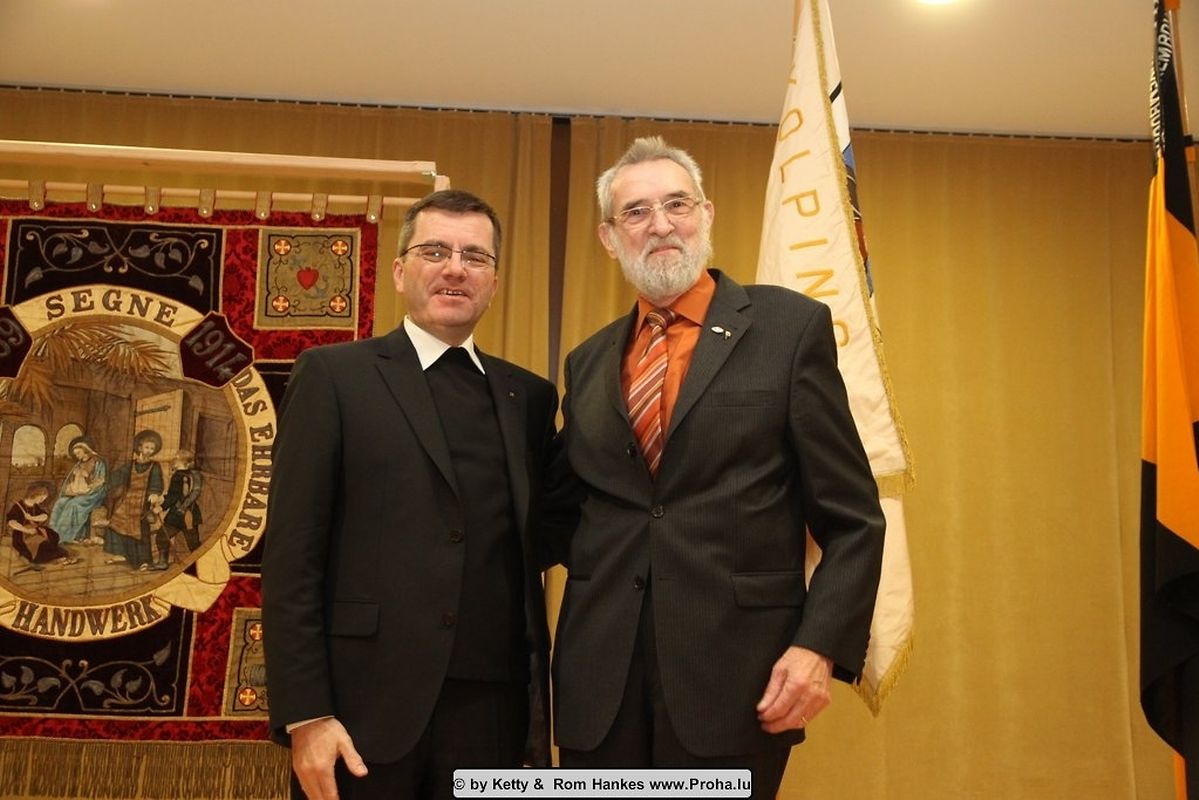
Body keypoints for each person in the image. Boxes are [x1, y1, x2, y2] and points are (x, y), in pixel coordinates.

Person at [551, 136, 886, 798]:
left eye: (676, 204)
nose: (660, 224)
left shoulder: (788, 328)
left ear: (705, 214)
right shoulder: (586, 362)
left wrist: (817, 647)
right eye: (636, 212)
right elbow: (567, 513)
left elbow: (853, 519)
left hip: (736, 680)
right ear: (609, 239)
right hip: (599, 686)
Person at [262, 189, 560, 800]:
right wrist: (306, 714)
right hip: (360, 713)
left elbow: (552, 532)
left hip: (493, 717)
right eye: (435, 251)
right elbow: (292, 557)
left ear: (494, 282)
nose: (456, 268)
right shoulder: (334, 377)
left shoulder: (529, 398)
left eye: (475, 257)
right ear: (400, 271)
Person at [103, 429, 164, 570]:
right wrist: (106, 479)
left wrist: (154, 493)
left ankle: (144, 561)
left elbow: (157, 483)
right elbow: (118, 476)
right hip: (128, 500)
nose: (149, 451)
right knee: (118, 524)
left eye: (152, 448)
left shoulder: (155, 466)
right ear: (140, 447)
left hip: (143, 502)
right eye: (147, 447)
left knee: (141, 531)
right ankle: (123, 554)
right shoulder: (131, 464)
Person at [48, 435, 108, 544]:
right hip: (79, 492)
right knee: (60, 503)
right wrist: (72, 490)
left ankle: (65, 536)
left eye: (78, 453)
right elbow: (71, 480)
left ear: (85, 450)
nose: (77, 456)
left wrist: (87, 488)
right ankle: (53, 533)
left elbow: (101, 481)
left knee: (73, 505)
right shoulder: (79, 464)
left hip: (94, 494)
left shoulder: (98, 462)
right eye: (75, 454)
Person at [7, 480, 77, 569]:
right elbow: (12, 522)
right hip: (22, 536)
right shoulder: (17, 507)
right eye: (41, 498)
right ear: (35, 495)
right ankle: (48, 557)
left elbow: (44, 516)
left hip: (35, 531)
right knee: (42, 546)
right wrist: (27, 530)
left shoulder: (35, 506)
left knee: (53, 535)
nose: (42, 500)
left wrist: (32, 518)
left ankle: (57, 555)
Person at [158, 449, 203, 567]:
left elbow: (174, 496)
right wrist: (163, 498)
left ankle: (163, 562)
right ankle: (202, 563)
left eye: (176, 458)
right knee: (193, 543)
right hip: (191, 512)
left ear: (183, 461)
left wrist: (161, 507)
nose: (174, 460)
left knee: (162, 536)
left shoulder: (178, 476)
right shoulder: (194, 474)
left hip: (178, 514)